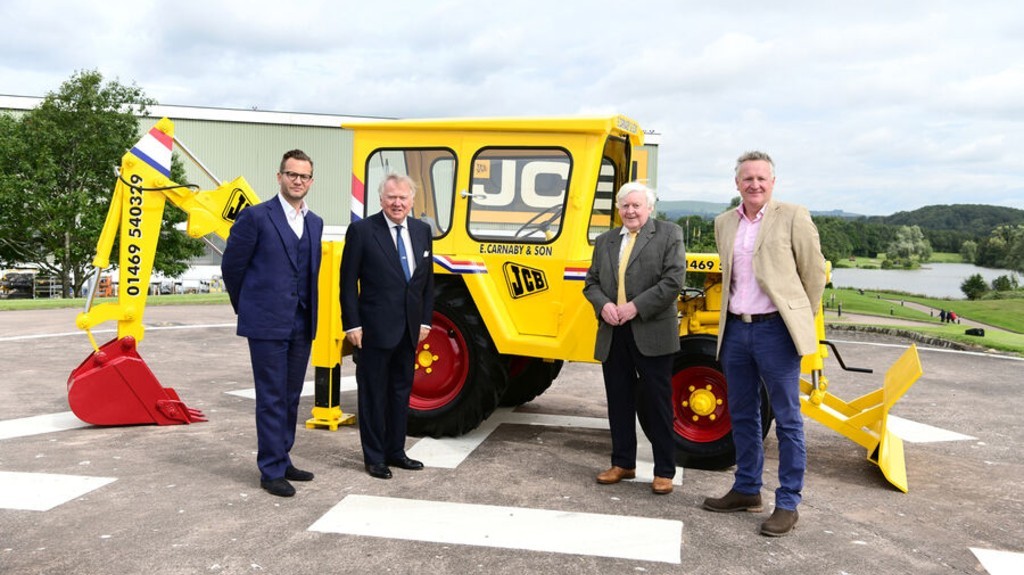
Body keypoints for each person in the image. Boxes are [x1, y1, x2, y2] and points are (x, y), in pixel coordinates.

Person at [702, 151, 825, 536]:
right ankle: (747, 488)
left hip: (776, 331)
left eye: (761, 178)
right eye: (747, 178)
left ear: (773, 182)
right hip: (736, 331)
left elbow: (814, 275)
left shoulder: (793, 216)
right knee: (742, 413)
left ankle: (787, 503)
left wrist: (795, 319)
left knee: (787, 419)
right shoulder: (724, 222)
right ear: (737, 183)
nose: (754, 184)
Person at [221, 150, 322, 497]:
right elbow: (232, 267)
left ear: (311, 181)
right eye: (292, 174)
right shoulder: (255, 217)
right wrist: (249, 307)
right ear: (279, 177)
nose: (298, 181)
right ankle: (270, 470)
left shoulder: (315, 222)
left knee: (291, 395)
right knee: (271, 396)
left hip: (302, 321)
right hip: (266, 323)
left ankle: (283, 456)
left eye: (304, 176)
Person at [583, 181, 685, 495]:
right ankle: (622, 463)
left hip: (651, 330)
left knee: (657, 404)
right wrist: (604, 306)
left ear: (649, 208)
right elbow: (591, 282)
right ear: (618, 209)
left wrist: (634, 307)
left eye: (636, 205)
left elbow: (673, 281)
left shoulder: (669, 234)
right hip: (613, 331)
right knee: (618, 400)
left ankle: (664, 470)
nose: (630, 211)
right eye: (625, 206)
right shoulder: (605, 241)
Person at [341, 174, 434, 480]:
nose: (397, 203)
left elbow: (426, 282)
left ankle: (396, 451)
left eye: (403, 197)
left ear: (412, 200)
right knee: (373, 396)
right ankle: (375, 457)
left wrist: (425, 321)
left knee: (399, 393)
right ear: (381, 200)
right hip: (373, 330)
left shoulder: (422, 231)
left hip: (409, 330)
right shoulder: (362, 231)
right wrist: (352, 324)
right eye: (391, 197)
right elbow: (347, 282)